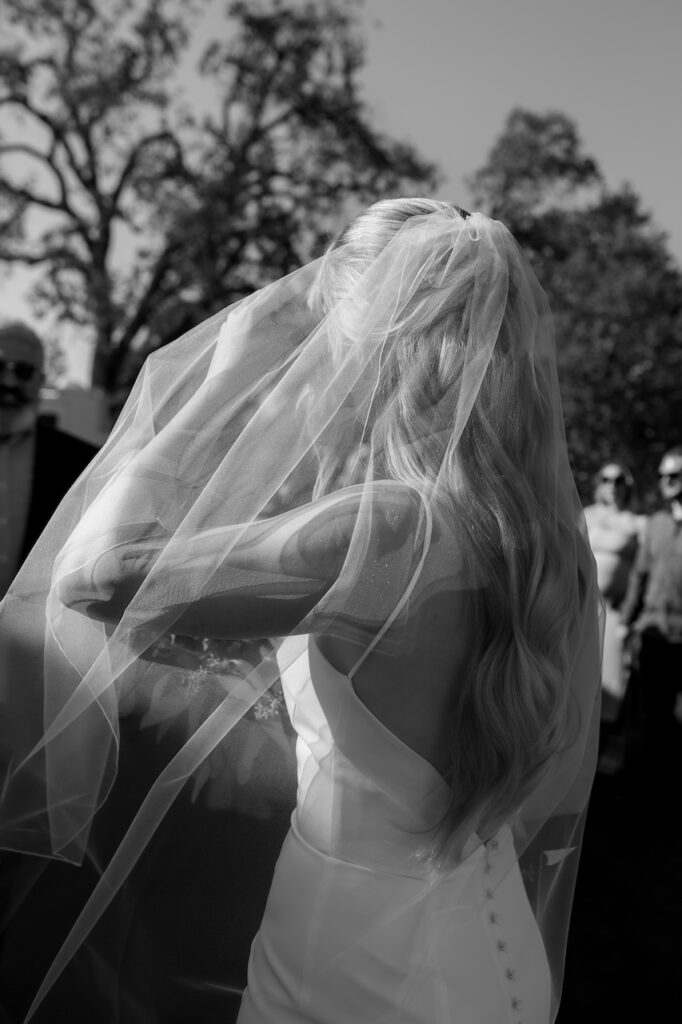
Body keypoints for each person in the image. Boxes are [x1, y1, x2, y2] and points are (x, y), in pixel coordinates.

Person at [0, 200, 601, 1024]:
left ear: (379, 350)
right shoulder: (551, 547)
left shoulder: (386, 531)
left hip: (353, 968)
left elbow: (91, 576)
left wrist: (216, 386)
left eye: (333, 341)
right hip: (494, 958)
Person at [0, 321, 97, 598]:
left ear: (41, 381)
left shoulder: (80, 462)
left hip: (32, 636)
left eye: (23, 371)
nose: (9, 383)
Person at [619, 445, 682, 780]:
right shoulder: (656, 523)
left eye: (674, 475)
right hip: (654, 631)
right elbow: (639, 576)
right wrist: (627, 620)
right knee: (651, 713)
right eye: (662, 475)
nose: (666, 481)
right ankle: (648, 786)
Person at [583, 463, 645, 772]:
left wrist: (634, 614)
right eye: (605, 478)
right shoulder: (586, 514)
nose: (611, 484)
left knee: (611, 691)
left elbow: (645, 573)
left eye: (618, 478)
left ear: (627, 484)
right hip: (581, 614)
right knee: (579, 687)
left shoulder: (637, 523)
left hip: (615, 615)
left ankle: (602, 763)